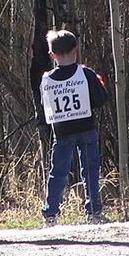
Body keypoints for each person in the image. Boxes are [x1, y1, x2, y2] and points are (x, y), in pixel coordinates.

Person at [39, 29, 109, 226]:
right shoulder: (85, 73)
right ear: (75, 51)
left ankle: (50, 215)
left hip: (62, 133)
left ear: (52, 55)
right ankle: (94, 212)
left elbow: (45, 107)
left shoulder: (47, 80)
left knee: (58, 172)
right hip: (86, 128)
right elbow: (101, 99)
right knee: (90, 171)